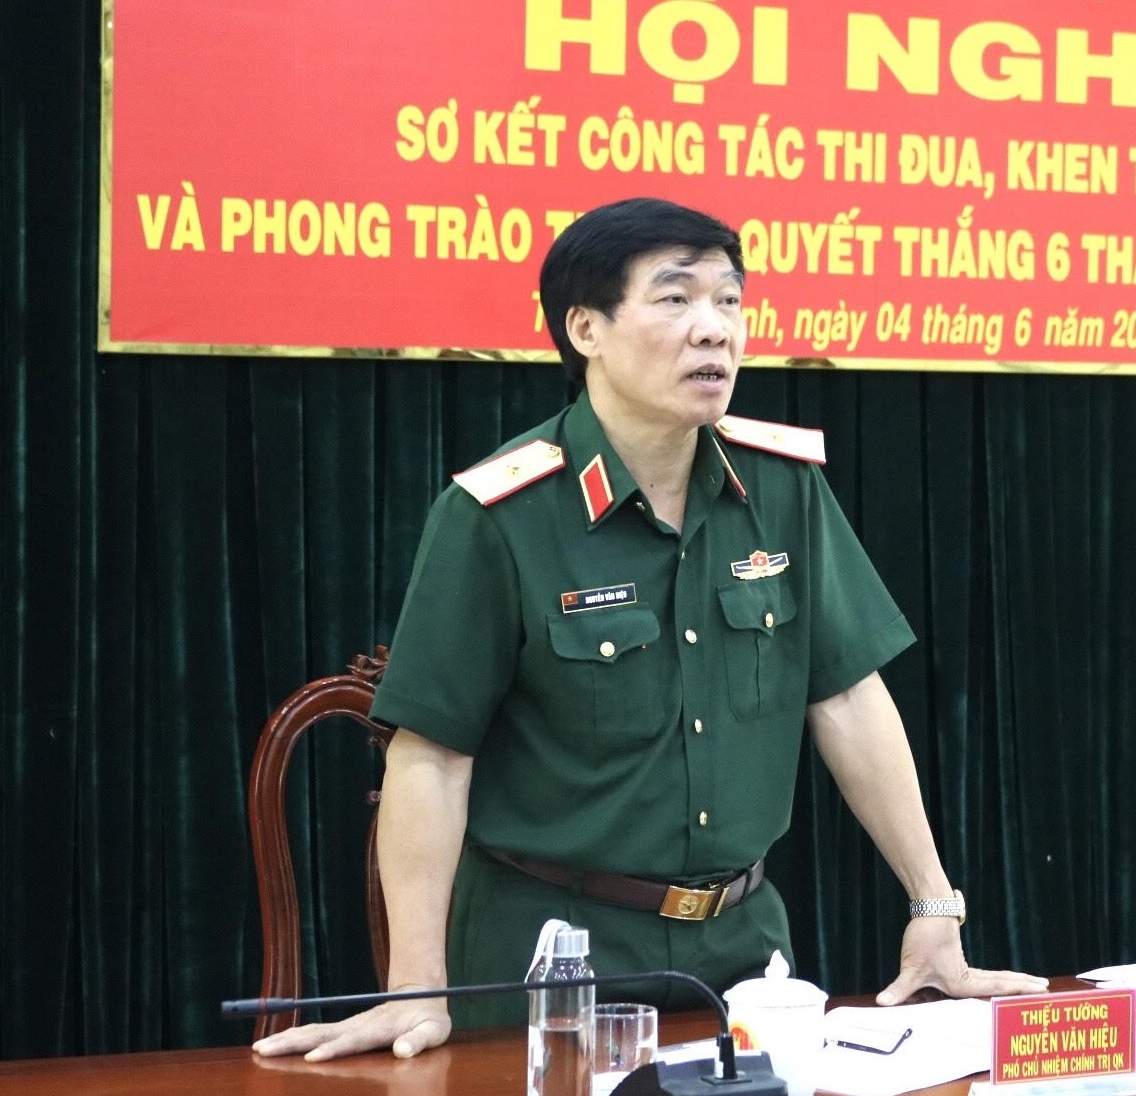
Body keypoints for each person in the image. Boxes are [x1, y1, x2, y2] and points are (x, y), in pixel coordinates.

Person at [254, 197, 1046, 1062]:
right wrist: (415, 984)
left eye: (729, 300)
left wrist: (933, 905)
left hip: (744, 953)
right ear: (585, 328)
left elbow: (848, 697)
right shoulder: (500, 513)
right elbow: (432, 756)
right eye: (675, 298)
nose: (714, 328)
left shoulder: (782, 487)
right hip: (550, 957)